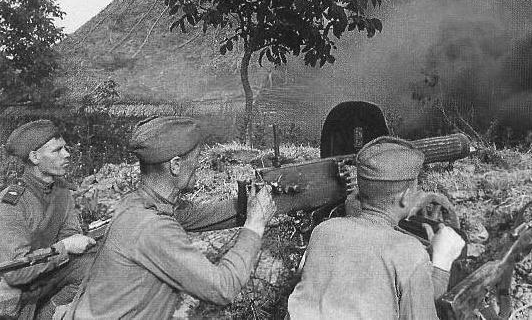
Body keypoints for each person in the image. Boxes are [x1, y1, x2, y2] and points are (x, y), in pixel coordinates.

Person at [66, 116, 276, 319]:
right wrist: (255, 225)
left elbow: (200, 215)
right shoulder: (153, 228)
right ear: (175, 166)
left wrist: (249, 204)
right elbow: (223, 288)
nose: (200, 166)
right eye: (197, 159)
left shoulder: (136, 202)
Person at [287, 136, 465, 319]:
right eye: (416, 189)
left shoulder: (323, 230)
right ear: (405, 197)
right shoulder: (409, 252)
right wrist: (442, 262)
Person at [0, 120, 96, 320]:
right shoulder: (12, 203)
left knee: (94, 263)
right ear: (34, 157)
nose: (67, 154)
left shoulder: (61, 192)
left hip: (42, 280)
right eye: (57, 150)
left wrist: (80, 240)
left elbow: (69, 234)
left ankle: (47, 312)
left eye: (65, 148)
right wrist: (64, 246)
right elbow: (14, 272)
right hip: (11, 298)